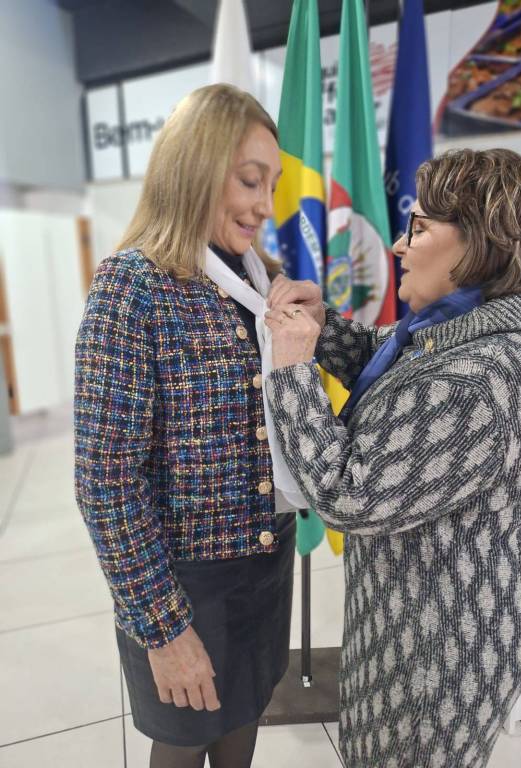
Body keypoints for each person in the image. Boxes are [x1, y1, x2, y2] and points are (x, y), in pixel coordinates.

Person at [264, 148, 521, 768]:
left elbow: (347, 495)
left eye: (421, 227)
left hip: (438, 654)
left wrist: (294, 369)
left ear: (481, 244)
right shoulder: (480, 329)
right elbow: (400, 371)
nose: (399, 245)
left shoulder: (474, 381)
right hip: (434, 621)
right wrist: (323, 328)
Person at [75, 84, 294, 768]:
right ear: (195, 168)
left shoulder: (261, 278)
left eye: (271, 184)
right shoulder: (132, 287)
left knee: (243, 720)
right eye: (250, 181)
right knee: (184, 739)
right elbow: (106, 482)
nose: (266, 205)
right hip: (184, 582)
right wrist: (164, 628)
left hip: (265, 562)